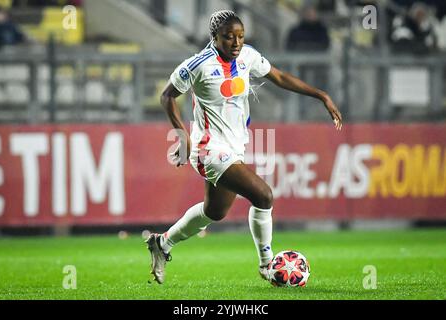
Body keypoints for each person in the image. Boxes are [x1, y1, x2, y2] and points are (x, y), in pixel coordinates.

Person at [146, 10, 342, 284]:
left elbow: (280, 77)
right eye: (228, 37)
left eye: (240, 36)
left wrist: (321, 95)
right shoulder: (198, 64)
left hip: (234, 146)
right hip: (208, 149)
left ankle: (162, 244)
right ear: (214, 37)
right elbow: (167, 96)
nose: (236, 42)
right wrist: (182, 136)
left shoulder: (247, 55)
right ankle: (267, 264)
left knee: (214, 212)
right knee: (263, 196)